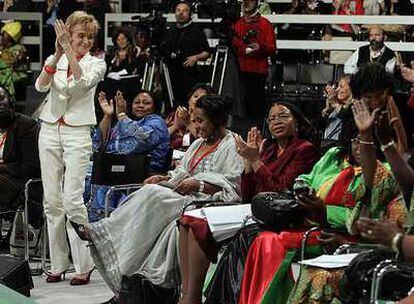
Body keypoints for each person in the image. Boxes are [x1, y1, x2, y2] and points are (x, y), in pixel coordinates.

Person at [70, 94, 244, 303]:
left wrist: (198, 184)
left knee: (154, 194)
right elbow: (181, 173)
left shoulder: (231, 144)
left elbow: (233, 187)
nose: (195, 126)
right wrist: (163, 177)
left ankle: (100, 230)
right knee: (149, 200)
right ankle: (129, 291)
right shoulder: (198, 144)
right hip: (183, 196)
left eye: (200, 120)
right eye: (194, 120)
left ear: (216, 120)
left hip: (207, 203)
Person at [177, 101, 319, 304]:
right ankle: (188, 293)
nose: (277, 121)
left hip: (281, 214)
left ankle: (192, 298)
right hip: (252, 207)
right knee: (187, 220)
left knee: (199, 224)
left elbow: (282, 190)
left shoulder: (304, 149)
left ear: (295, 121)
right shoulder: (269, 147)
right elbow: (248, 194)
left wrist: (257, 161)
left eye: (283, 116)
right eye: (272, 118)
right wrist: (247, 165)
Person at [34, 11, 106, 284]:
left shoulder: (96, 64)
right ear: (69, 35)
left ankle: (83, 265)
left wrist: (67, 51)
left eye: (90, 37)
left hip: (77, 132)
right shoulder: (57, 58)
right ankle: (58, 263)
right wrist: (56, 55)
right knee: (52, 201)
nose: (86, 41)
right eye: (80, 36)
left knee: (73, 200)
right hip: (50, 128)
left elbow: (81, 84)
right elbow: (41, 86)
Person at [87, 90, 170, 221]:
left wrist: (121, 115)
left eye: (146, 103)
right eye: (137, 102)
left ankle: (98, 223)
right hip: (118, 169)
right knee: (83, 168)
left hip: (141, 173)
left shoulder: (156, 122)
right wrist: (108, 116)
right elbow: (99, 145)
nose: (140, 105)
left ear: (154, 106)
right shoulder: (125, 121)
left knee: (93, 172)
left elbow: (138, 142)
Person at [230, 0, 276, 137]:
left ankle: (254, 137)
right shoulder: (237, 23)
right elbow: (233, 44)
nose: (246, 2)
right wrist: (244, 49)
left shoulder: (264, 24)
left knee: (254, 109)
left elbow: (272, 47)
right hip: (238, 71)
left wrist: (260, 47)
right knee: (238, 108)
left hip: (257, 72)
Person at [0, 85, 39, 217]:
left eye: (1, 98)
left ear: (10, 101)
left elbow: (30, 166)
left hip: (18, 181)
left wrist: (3, 168)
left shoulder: (26, 126)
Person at [163, 0, 211, 106]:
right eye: (178, 10)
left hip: (189, 76)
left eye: (185, 11)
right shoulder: (171, 31)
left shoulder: (196, 31)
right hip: (171, 74)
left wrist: (195, 57)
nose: (181, 13)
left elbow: (207, 52)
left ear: (190, 14)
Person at [166, 83, 215, 151]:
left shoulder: (207, 122)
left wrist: (188, 122)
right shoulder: (175, 115)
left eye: (202, 98)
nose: (197, 100)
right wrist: (175, 126)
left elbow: (206, 142)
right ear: (189, 100)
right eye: (195, 96)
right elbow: (159, 139)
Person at [317, 74, 356, 153]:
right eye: (337, 87)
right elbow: (319, 126)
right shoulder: (336, 106)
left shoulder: (355, 106)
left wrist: (335, 103)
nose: (337, 90)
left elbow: (348, 120)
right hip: (325, 147)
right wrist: (327, 110)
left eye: (341, 87)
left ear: (351, 88)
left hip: (341, 150)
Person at [0, 21, 28, 97]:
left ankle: (7, 99)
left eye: (5, 38)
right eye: (2, 36)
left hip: (17, 74)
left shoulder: (19, 49)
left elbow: (8, 62)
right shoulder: (3, 48)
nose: (2, 39)